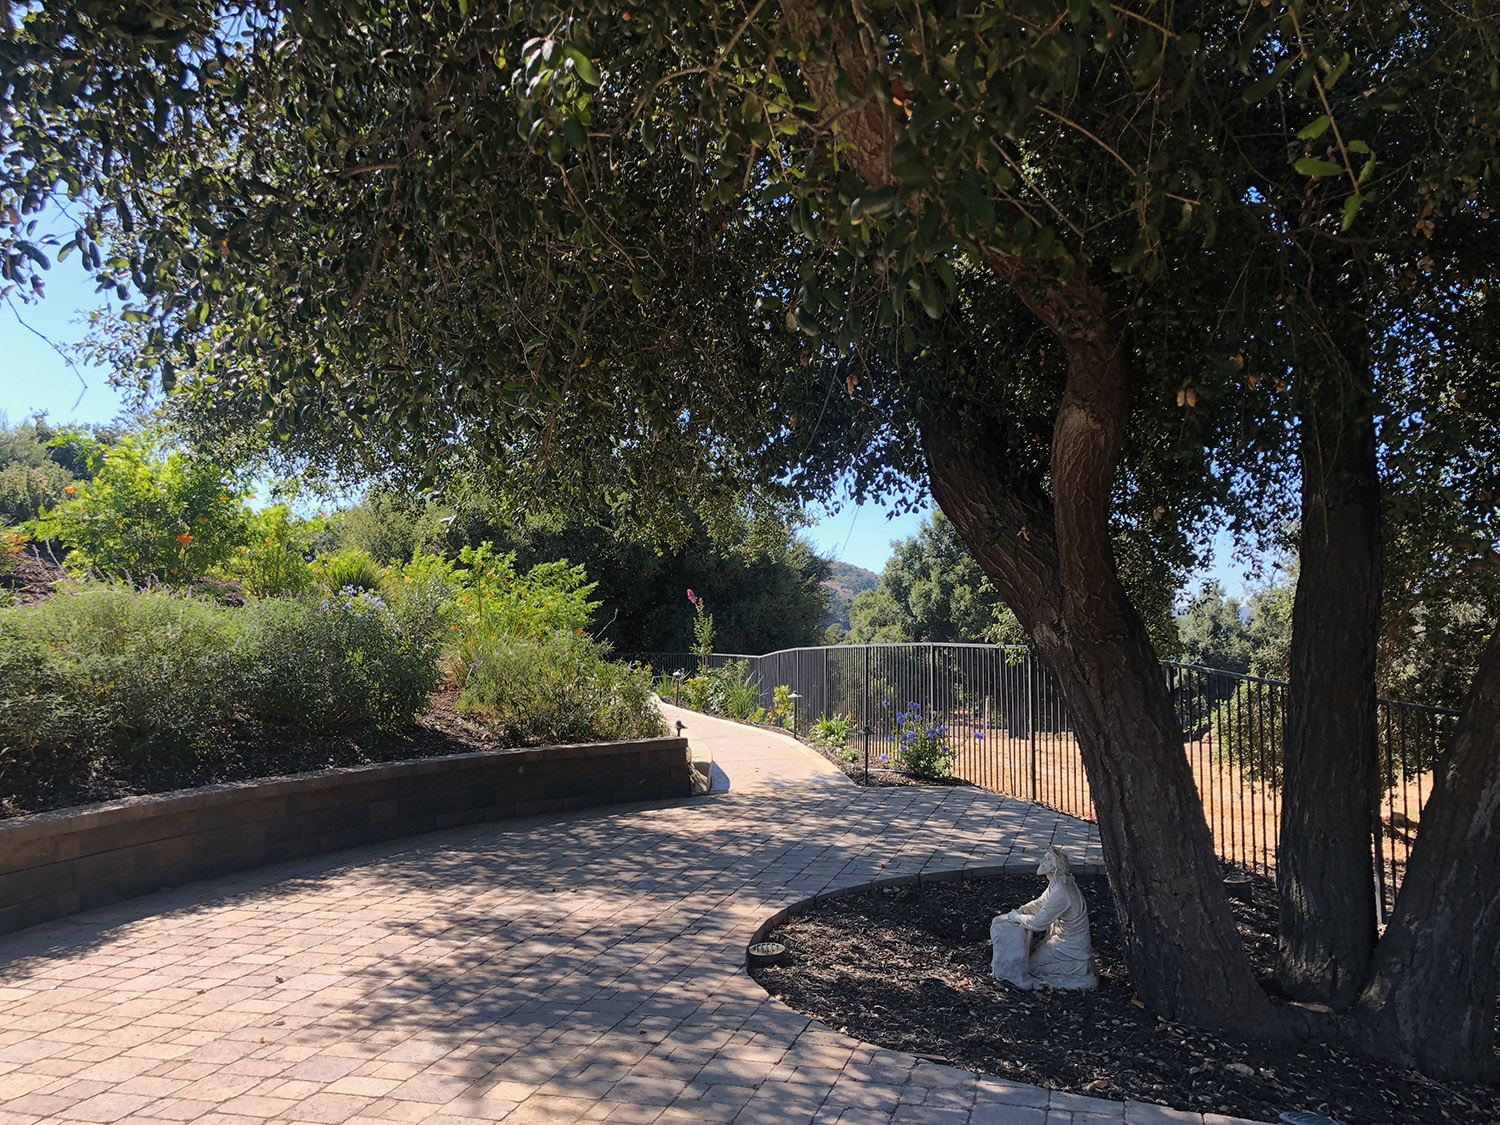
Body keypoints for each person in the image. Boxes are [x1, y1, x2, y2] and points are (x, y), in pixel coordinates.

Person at [990, 845, 1098, 990]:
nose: (1042, 861)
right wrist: (1022, 910)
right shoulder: (1057, 883)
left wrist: (1018, 918)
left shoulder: (1061, 891)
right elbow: (1041, 903)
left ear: (1053, 867)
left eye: (1047, 859)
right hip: (1060, 939)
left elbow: (1039, 923)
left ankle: (1076, 968)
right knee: (1034, 956)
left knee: (1032, 967)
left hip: (1069, 945)